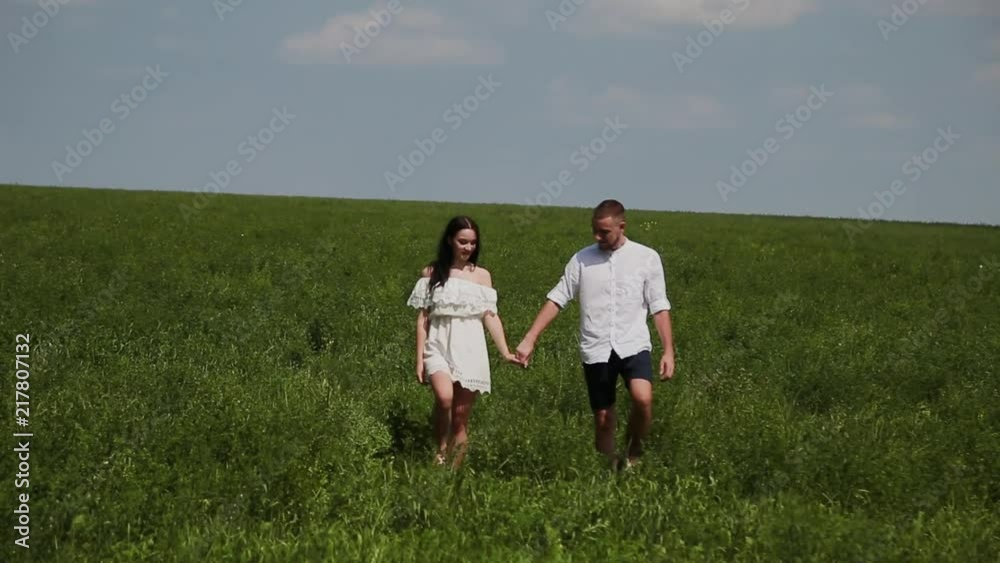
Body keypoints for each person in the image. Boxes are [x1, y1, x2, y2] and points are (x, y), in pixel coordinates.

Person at [515, 199, 676, 470]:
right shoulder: (582, 259)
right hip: (596, 348)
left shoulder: (646, 258)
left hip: (633, 343)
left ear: (622, 227)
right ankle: (609, 471)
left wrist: (668, 350)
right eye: (595, 231)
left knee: (643, 399)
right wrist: (530, 338)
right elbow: (558, 298)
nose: (597, 237)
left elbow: (659, 306)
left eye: (604, 232)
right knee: (603, 419)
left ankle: (633, 453)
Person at [407, 216, 522, 468]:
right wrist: (419, 359)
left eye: (472, 243)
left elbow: (490, 316)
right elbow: (423, 319)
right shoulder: (431, 273)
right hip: (437, 345)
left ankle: (452, 474)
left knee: (459, 420)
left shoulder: (482, 276)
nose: (468, 247)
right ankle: (439, 452)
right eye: (462, 242)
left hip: (471, 349)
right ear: (450, 240)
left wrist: (505, 352)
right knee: (444, 398)